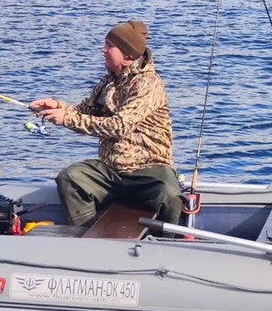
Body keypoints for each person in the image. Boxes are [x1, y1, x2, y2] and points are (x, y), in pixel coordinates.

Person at [29, 20, 184, 227]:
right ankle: (87, 234)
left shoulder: (149, 85)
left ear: (128, 56)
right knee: (70, 178)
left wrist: (66, 119)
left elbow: (118, 126)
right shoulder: (108, 82)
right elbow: (83, 110)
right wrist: (57, 106)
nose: (103, 50)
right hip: (111, 170)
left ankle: (165, 244)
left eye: (110, 46)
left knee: (171, 196)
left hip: (150, 170)